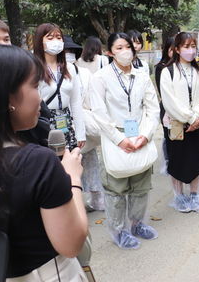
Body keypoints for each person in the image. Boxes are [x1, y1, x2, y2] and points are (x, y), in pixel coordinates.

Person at [0, 45, 88, 281]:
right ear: (8, 96)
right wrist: (73, 178)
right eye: (34, 86)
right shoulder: (36, 162)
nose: (40, 96)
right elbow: (71, 244)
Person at [90, 32, 160, 249]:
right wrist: (120, 140)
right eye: (118, 48)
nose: (124, 51)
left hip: (140, 133)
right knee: (116, 187)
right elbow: (99, 113)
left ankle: (137, 223)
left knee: (141, 184)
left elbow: (152, 107)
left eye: (127, 46)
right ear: (109, 52)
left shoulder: (141, 74)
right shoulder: (100, 78)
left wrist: (146, 135)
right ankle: (118, 230)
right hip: (114, 135)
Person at [159, 32, 199, 213]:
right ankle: (179, 196)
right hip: (176, 125)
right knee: (177, 161)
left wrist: (198, 118)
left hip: (198, 125)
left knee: (197, 160)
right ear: (176, 49)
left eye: (193, 47)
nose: (190, 51)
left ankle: (195, 195)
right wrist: (190, 118)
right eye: (186, 47)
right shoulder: (168, 71)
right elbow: (169, 101)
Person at [64, 36, 105, 213]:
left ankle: (97, 200)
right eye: (66, 52)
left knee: (90, 164)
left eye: (71, 52)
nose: (69, 55)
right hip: (64, 127)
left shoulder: (84, 74)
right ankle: (73, 203)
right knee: (68, 165)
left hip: (83, 127)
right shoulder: (49, 74)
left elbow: (91, 100)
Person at [33, 23, 86, 151]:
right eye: (50, 38)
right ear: (40, 41)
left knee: (70, 161)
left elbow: (76, 102)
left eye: (58, 37)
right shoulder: (34, 68)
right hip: (45, 122)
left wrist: (80, 133)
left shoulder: (70, 68)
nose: (55, 41)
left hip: (66, 122)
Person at [154, 37, 175, 175]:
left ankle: (174, 160)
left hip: (178, 107)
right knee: (169, 134)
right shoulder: (162, 67)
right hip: (167, 107)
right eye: (172, 49)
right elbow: (163, 91)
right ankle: (168, 162)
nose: (174, 52)